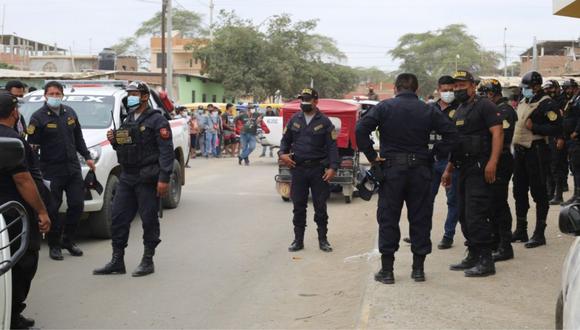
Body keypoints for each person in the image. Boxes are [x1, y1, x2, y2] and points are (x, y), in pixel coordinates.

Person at [357, 74, 458, 284]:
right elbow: (452, 134)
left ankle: (387, 271)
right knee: (420, 217)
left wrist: (372, 156)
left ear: (395, 88)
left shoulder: (384, 107)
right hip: (420, 170)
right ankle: (418, 270)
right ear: (417, 89)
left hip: (391, 170)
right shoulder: (428, 109)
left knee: (388, 218)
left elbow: (360, 129)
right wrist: (435, 152)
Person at [94, 81, 174, 277]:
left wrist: (164, 179)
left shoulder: (158, 121)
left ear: (145, 96)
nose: (131, 96)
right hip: (128, 176)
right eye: (129, 93)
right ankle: (117, 260)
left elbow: (166, 152)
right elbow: (125, 147)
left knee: (148, 219)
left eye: (134, 93)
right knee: (118, 218)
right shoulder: (128, 119)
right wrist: (115, 141)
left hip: (147, 178)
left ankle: (148, 260)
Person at [442, 70, 504, 278]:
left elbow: (498, 132)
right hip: (462, 167)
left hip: (480, 166)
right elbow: (457, 143)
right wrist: (448, 169)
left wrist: (493, 162)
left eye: (462, 85)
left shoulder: (485, 105)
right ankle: (473, 254)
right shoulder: (460, 109)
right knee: (463, 214)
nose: (458, 89)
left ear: (472, 85)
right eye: (456, 86)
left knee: (476, 214)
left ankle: (486, 260)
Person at [27, 81, 95, 261]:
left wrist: (87, 156)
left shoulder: (70, 113)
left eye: (58, 94)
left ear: (62, 95)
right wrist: (35, 172)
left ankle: (68, 240)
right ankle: (54, 245)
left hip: (72, 168)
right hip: (50, 170)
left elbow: (78, 137)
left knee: (77, 205)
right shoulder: (38, 117)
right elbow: (32, 147)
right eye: (52, 93)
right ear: (45, 95)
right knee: (52, 209)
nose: (55, 97)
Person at [0, 93, 51, 329]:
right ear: (14, 112)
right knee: (23, 261)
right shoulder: (13, 141)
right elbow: (23, 180)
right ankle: (10, 314)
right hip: (13, 216)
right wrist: (41, 212)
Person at [279, 88, 339, 253]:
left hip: (318, 170)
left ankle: (323, 240)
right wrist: (282, 154)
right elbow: (285, 141)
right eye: (302, 99)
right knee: (298, 206)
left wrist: (333, 167)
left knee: (320, 206)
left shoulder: (325, 122)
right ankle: (298, 240)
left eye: (307, 99)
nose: (304, 102)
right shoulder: (294, 119)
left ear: (315, 101)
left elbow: (332, 147)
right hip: (298, 169)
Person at [510, 71, 561, 249]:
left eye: (527, 88)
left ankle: (539, 233)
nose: (524, 91)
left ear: (537, 87)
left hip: (536, 151)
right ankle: (521, 230)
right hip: (520, 152)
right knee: (519, 191)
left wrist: (536, 127)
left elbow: (556, 127)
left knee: (539, 192)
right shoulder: (524, 101)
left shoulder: (547, 104)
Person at [478, 79, 518, 262]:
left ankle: (505, 245)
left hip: (502, 160)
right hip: (492, 159)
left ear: (492, 93)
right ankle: (495, 240)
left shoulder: (505, 110)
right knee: (492, 202)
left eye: (485, 93)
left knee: (499, 202)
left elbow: (503, 135)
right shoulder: (493, 109)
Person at [430, 75, 460, 250]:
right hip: (430, 160)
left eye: (451, 90)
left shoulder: (460, 109)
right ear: (438, 89)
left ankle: (448, 235)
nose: (448, 93)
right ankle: (422, 232)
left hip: (450, 160)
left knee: (453, 200)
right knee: (426, 199)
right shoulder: (431, 108)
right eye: (445, 90)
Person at [543, 80, 568, 205]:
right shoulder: (547, 102)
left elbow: (563, 122)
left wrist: (561, 137)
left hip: (557, 138)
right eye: (547, 89)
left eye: (551, 88)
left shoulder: (562, 102)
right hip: (547, 137)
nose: (549, 91)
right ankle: (550, 193)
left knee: (556, 167)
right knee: (548, 167)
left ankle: (559, 195)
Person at [561, 79, 580, 205]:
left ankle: (577, 196)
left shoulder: (578, 99)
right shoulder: (573, 99)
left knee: (577, 168)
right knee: (573, 168)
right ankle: (576, 195)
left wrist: (576, 132)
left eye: (569, 88)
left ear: (574, 87)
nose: (567, 91)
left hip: (576, 139)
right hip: (570, 139)